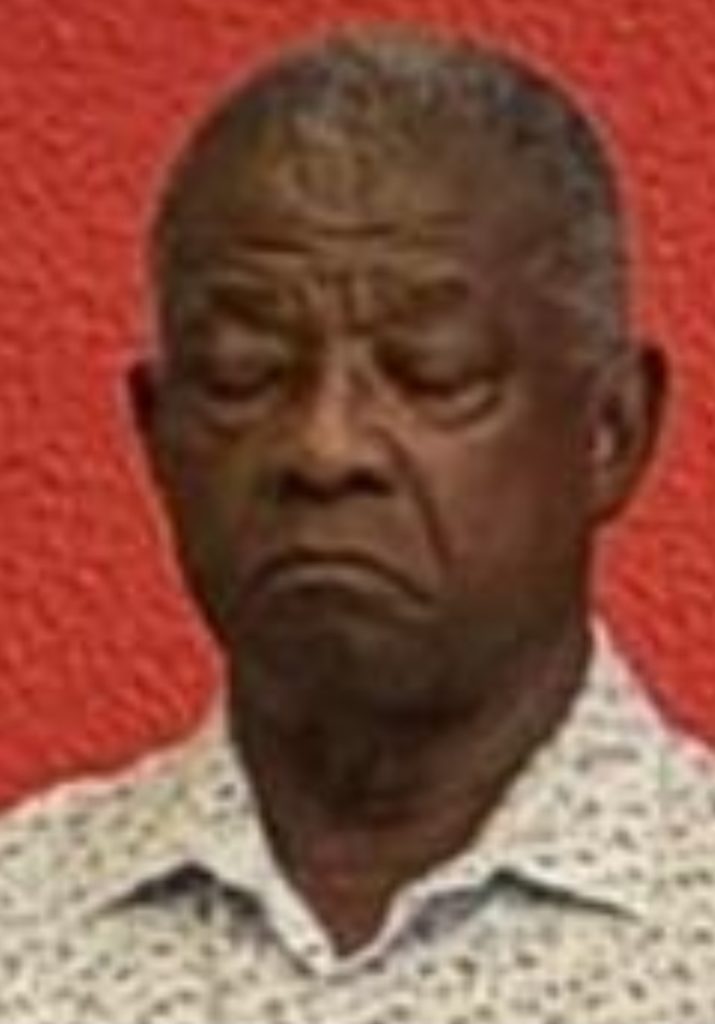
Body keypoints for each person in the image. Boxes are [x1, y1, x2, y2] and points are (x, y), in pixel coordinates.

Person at [1, 23, 714, 1024]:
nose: (324, 447)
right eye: (245, 373)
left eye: (431, 371)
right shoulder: (23, 925)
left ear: (611, 431)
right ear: (156, 433)